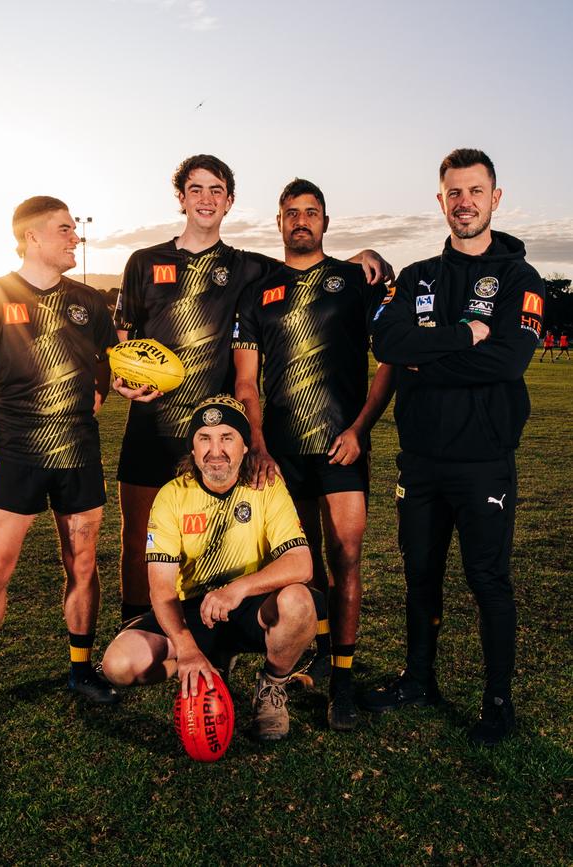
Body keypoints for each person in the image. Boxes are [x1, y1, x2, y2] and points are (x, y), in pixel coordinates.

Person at [113, 154, 394, 627]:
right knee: (138, 537)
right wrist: (124, 378)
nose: (206, 199)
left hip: (217, 435)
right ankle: (136, 635)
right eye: (197, 190)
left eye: (216, 190)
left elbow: (307, 270)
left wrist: (360, 260)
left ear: (230, 202)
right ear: (181, 197)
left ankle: (222, 631)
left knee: (220, 537)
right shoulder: (143, 262)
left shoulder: (247, 269)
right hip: (152, 425)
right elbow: (124, 341)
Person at [363, 148, 544, 746]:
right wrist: (463, 336)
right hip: (421, 461)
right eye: (454, 193)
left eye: (475, 191)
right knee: (420, 575)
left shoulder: (520, 278)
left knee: (488, 578)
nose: (464, 202)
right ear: (440, 201)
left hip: (485, 461)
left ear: (495, 198)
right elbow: (387, 340)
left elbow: (511, 358)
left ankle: (498, 700)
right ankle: (419, 680)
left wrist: (424, 357)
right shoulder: (416, 276)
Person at [233, 179, 395, 731]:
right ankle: (322, 653)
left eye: (312, 212)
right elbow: (247, 382)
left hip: (341, 445)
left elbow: (389, 359)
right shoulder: (259, 291)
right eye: (291, 213)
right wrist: (256, 444)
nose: (301, 220)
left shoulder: (354, 280)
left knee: (345, 558)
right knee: (300, 566)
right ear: (278, 222)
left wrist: (360, 428)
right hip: (280, 453)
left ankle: (343, 683)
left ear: (325, 221)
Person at [0, 196, 120, 725]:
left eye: (75, 229)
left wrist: (104, 397)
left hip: (79, 454)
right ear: (32, 238)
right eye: (65, 230)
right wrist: (10, 437)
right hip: (18, 456)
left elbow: (106, 369)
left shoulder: (90, 302)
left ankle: (80, 667)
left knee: (84, 563)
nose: (76, 238)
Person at [102, 395, 317, 742]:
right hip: (193, 612)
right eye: (205, 438)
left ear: (246, 445)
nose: (215, 450)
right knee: (119, 664)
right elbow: (161, 588)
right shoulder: (172, 495)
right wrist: (186, 648)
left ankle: (272, 688)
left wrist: (237, 590)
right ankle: (209, 665)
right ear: (192, 446)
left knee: (298, 602)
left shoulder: (266, 486)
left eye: (226, 437)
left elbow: (301, 563)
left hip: (249, 609)